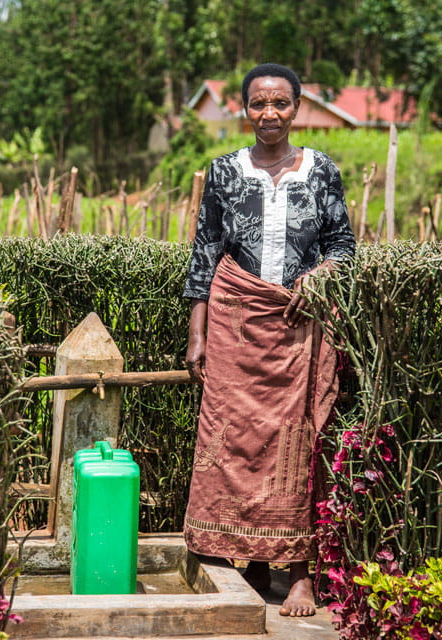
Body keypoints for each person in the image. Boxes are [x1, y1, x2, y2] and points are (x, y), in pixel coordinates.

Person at [183, 63, 355, 617]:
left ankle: (299, 573)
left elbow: (342, 246)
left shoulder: (322, 171)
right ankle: (252, 562)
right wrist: (197, 334)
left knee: (298, 445)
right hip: (237, 331)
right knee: (238, 442)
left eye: (280, 103)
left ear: (297, 108)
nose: (269, 114)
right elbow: (205, 255)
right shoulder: (224, 172)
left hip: (300, 329)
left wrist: (320, 276)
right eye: (258, 104)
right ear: (244, 109)